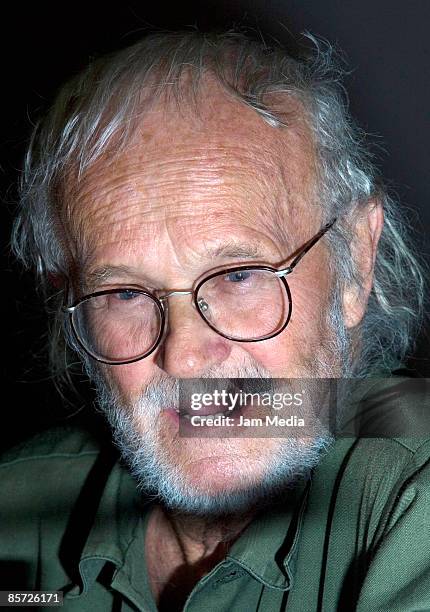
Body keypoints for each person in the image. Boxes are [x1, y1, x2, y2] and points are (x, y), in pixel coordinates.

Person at [1, 29, 429, 611]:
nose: (183, 355)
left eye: (238, 275)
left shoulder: (412, 504)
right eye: (125, 292)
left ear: (355, 260)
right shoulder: (15, 499)